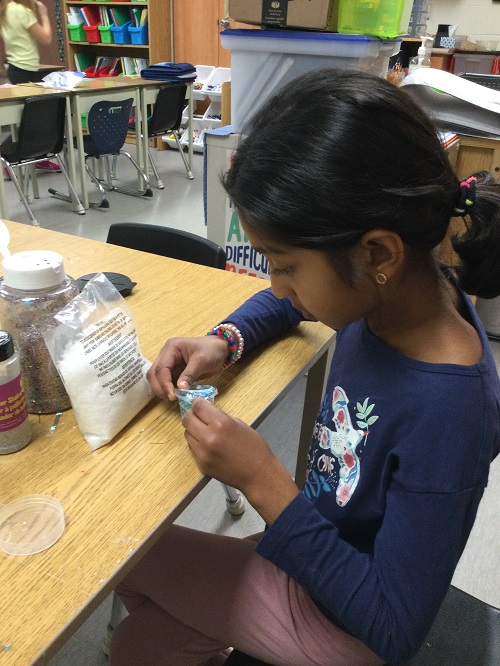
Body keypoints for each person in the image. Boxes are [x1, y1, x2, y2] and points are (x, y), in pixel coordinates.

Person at [110, 69, 500, 666]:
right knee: (143, 642)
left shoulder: (451, 409)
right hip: (312, 550)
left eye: (284, 264)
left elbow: (393, 630)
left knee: (125, 560)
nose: (276, 284)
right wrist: (226, 338)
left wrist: (263, 481)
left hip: (349, 623)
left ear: (376, 253)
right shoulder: (401, 290)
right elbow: (287, 303)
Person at [0, 0, 60, 172]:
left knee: (31, 115)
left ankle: (37, 156)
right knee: (34, 117)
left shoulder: (5, 9)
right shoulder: (20, 11)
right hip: (24, 70)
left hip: (17, 68)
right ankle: (9, 154)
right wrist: (43, 15)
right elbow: (46, 38)